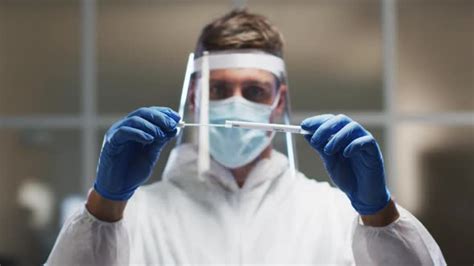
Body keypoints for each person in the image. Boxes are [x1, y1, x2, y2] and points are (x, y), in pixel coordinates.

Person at [47, 9, 445, 265]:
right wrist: (105, 205)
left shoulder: (334, 215)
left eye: (254, 92)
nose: (235, 107)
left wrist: (380, 215)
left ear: (279, 100)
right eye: (218, 91)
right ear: (193, 97)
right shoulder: (134, 219)